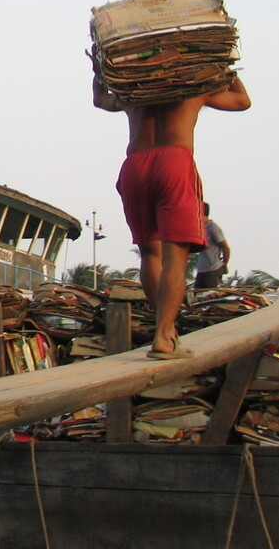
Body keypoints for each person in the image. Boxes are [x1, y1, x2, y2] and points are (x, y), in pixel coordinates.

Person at [93, 68, 250, 359]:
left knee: (149, 254)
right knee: (174, 258)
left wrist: (99, 72)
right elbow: (242, 101)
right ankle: (164, 335)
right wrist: (226, 68)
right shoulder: (194, 87)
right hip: (174, 161)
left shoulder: (133, 90)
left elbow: (101, 99)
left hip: (134, 166)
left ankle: (164, 328)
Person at [193, 202, 231, 289]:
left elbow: (225, 247)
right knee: (196, 296)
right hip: (201, 269)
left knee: (210, 294)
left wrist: (224, 264)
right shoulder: (200, 228)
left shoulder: (212, 228)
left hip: (212, 269)